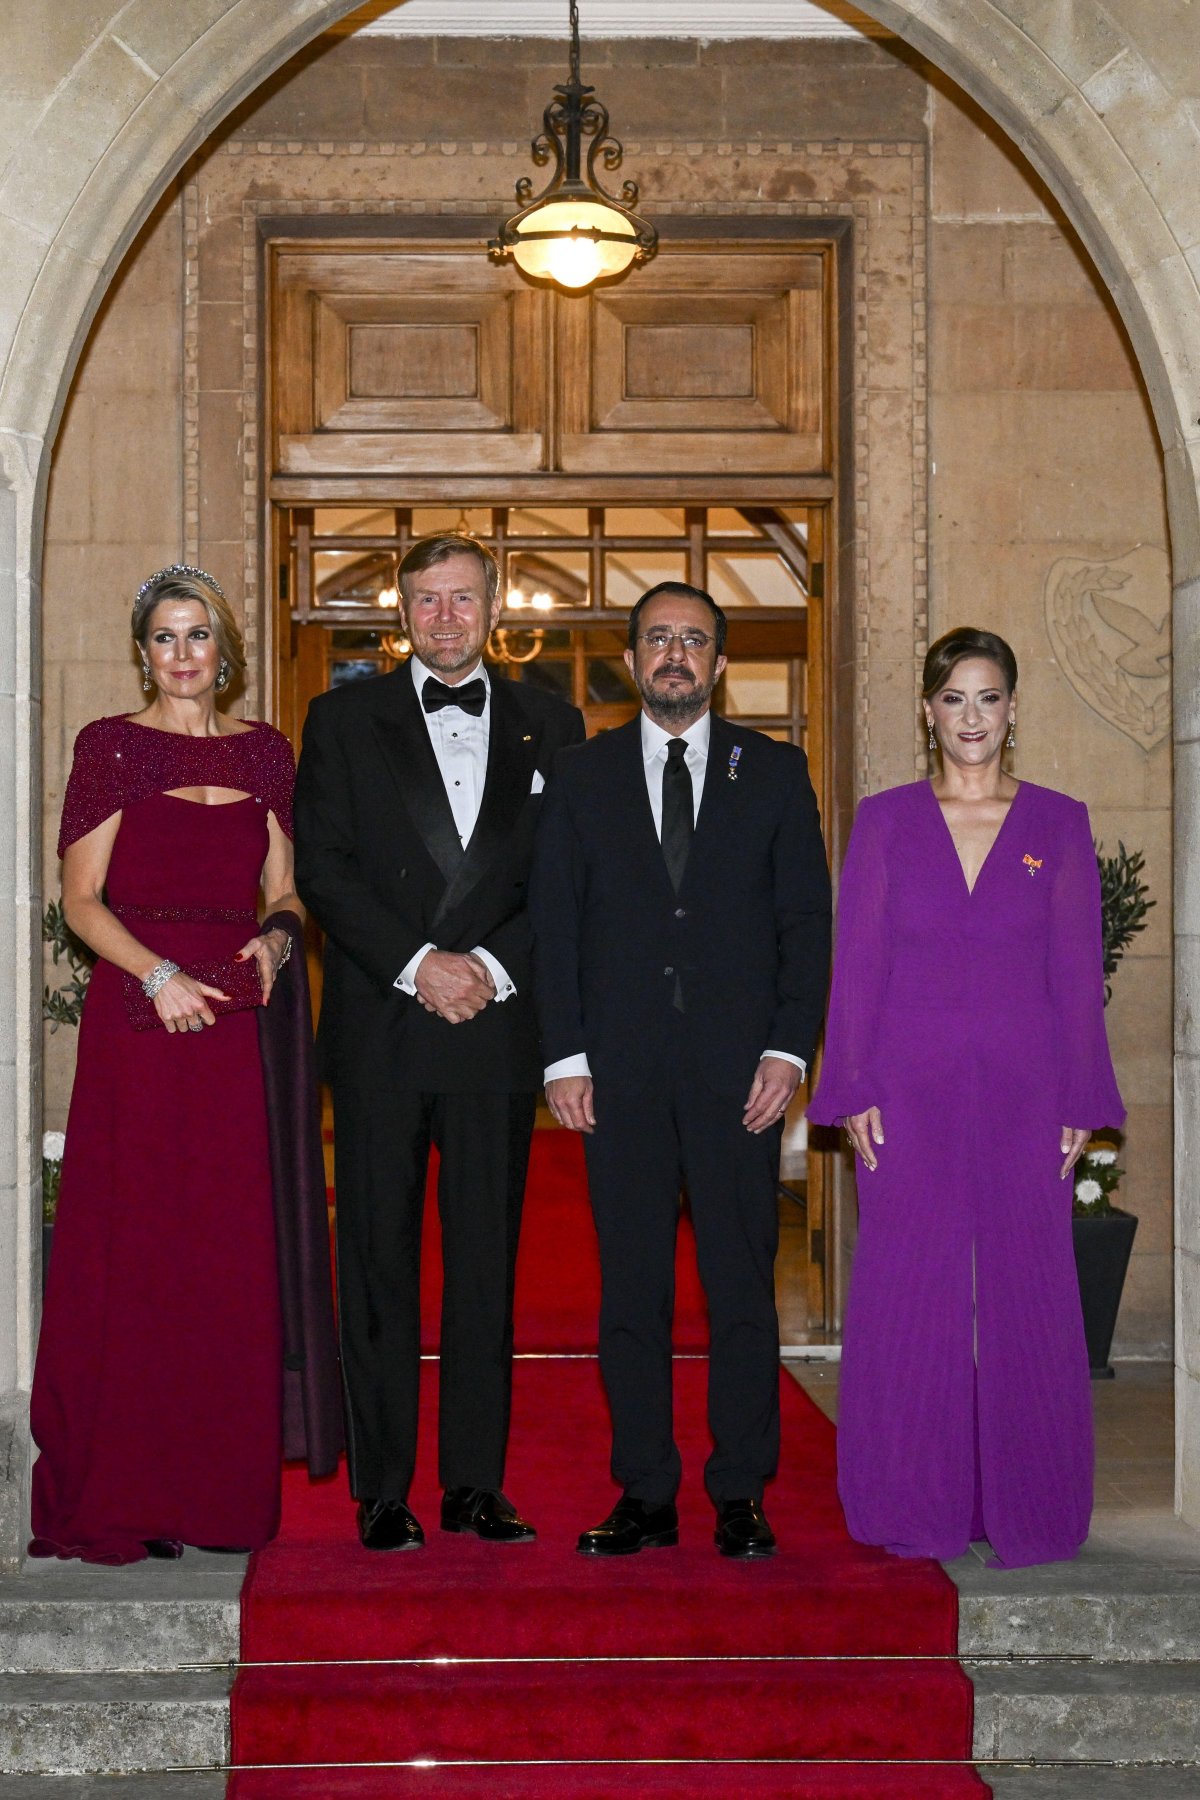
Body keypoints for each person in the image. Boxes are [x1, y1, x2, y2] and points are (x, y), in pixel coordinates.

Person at [29, 564, 335, 1566]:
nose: (183, 654)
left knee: (223, 1259)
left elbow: (285, 890)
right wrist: (159, 974)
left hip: (233, 1033)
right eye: (164, 637)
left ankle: (214, 1494)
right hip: (141, 1026)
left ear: (225, 649)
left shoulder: (268, 754)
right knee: (142, 1254)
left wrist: (275, 946)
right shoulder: (111, 747)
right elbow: (81, 900)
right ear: (142, 651)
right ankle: (128, 1489)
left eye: (198, 635)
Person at [808, 626, 1124, 1570]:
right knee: (910, 1292)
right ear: (928, 711)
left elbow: (1076, 973)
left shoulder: (1059, 822)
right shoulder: (889, 819)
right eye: (954, 699)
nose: (972, 717)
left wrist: (1081, 1095)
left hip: (1030, 1097)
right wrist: (852, 1080)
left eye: (988, 698)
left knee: (1032, 1291)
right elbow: (856, 961)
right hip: (906, 1095)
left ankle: (1035, 1504)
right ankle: (908, 1498)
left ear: (1014, 707)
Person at [294, 532, 585, 1552]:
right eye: (428, 601)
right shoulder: (340, 720)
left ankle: (473, 1485)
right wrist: (422, 963)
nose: (446, 618)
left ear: (493, 606)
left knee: (484, 1272)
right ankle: (382, 1490)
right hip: (384, 1024)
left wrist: (492, 971)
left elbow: (565, 879)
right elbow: (324, 870)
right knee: (375, 1267)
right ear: (401, 611)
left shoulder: (553, 721)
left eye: (463, 600)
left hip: (493, 1032)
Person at [530, 581, 831, 1559]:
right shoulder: (581, 778)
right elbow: (556, 925)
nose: (675, 655)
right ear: (632, 655)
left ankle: (740, 1490)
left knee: (742, 1287)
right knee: (632, 1296)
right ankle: (646, 1492)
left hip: (740, 1080)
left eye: (693, 641)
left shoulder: (775, 773)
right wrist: (565, 1056)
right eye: (658, 638)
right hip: (615, 1080)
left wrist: (790, 1047)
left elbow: (804, 925)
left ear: (718, 662)